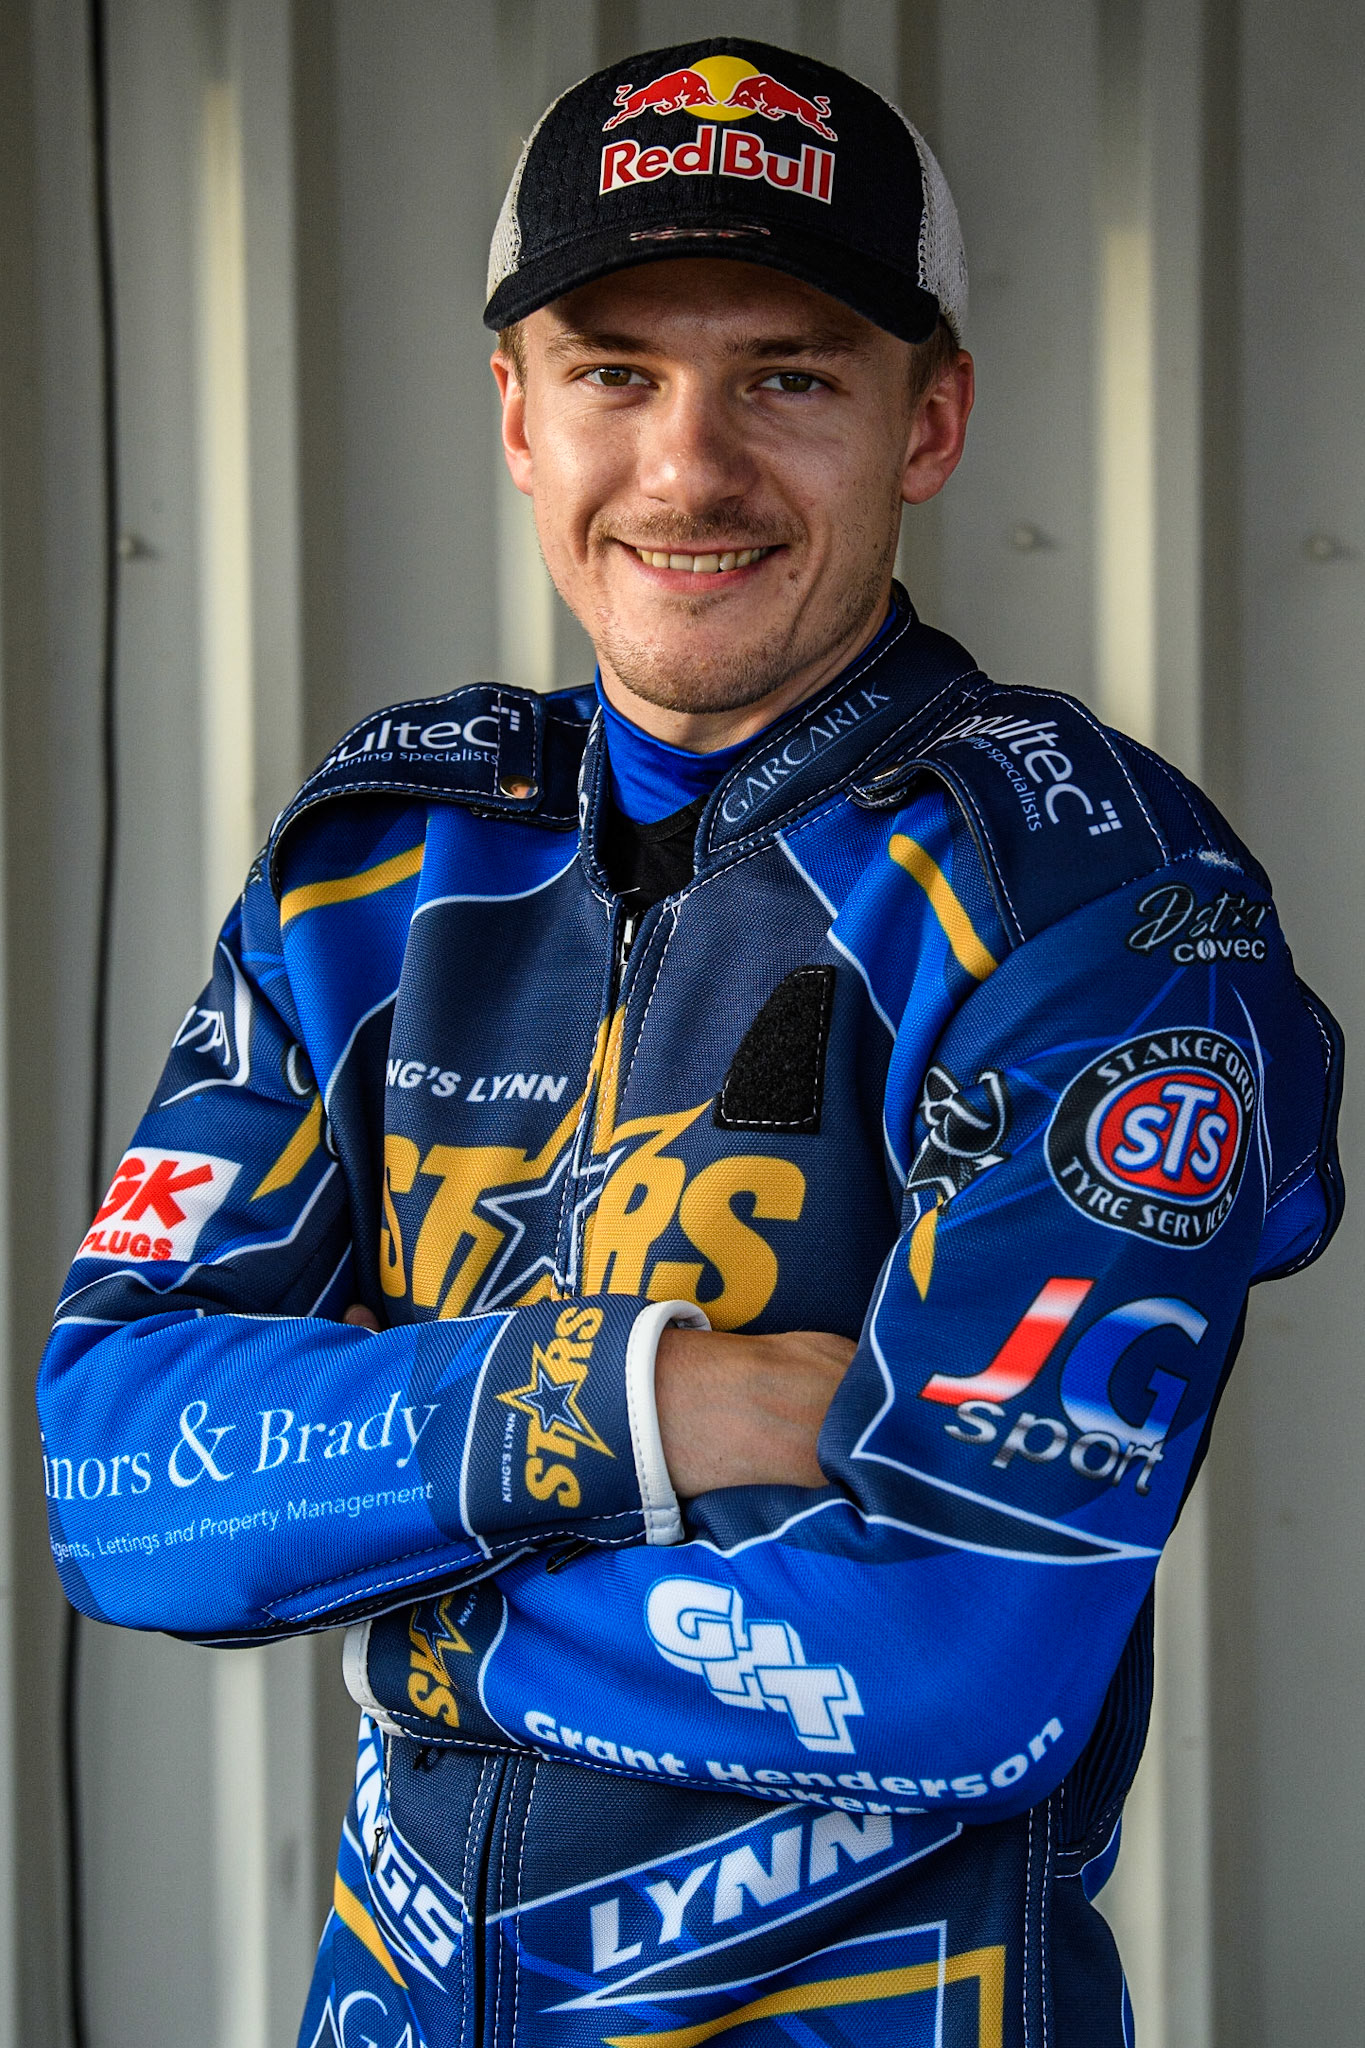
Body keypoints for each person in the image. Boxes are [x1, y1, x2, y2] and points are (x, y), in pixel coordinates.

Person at [38, 37, 1342, 2048]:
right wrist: (656, 1404)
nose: (686, 468)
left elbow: (955, 1644)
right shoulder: (381, 867)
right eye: (615, 372)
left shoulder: (1091, 902)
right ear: (515, 415)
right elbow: (111, 1472)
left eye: (789, 376)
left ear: (931, 421)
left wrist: (389, 1581)